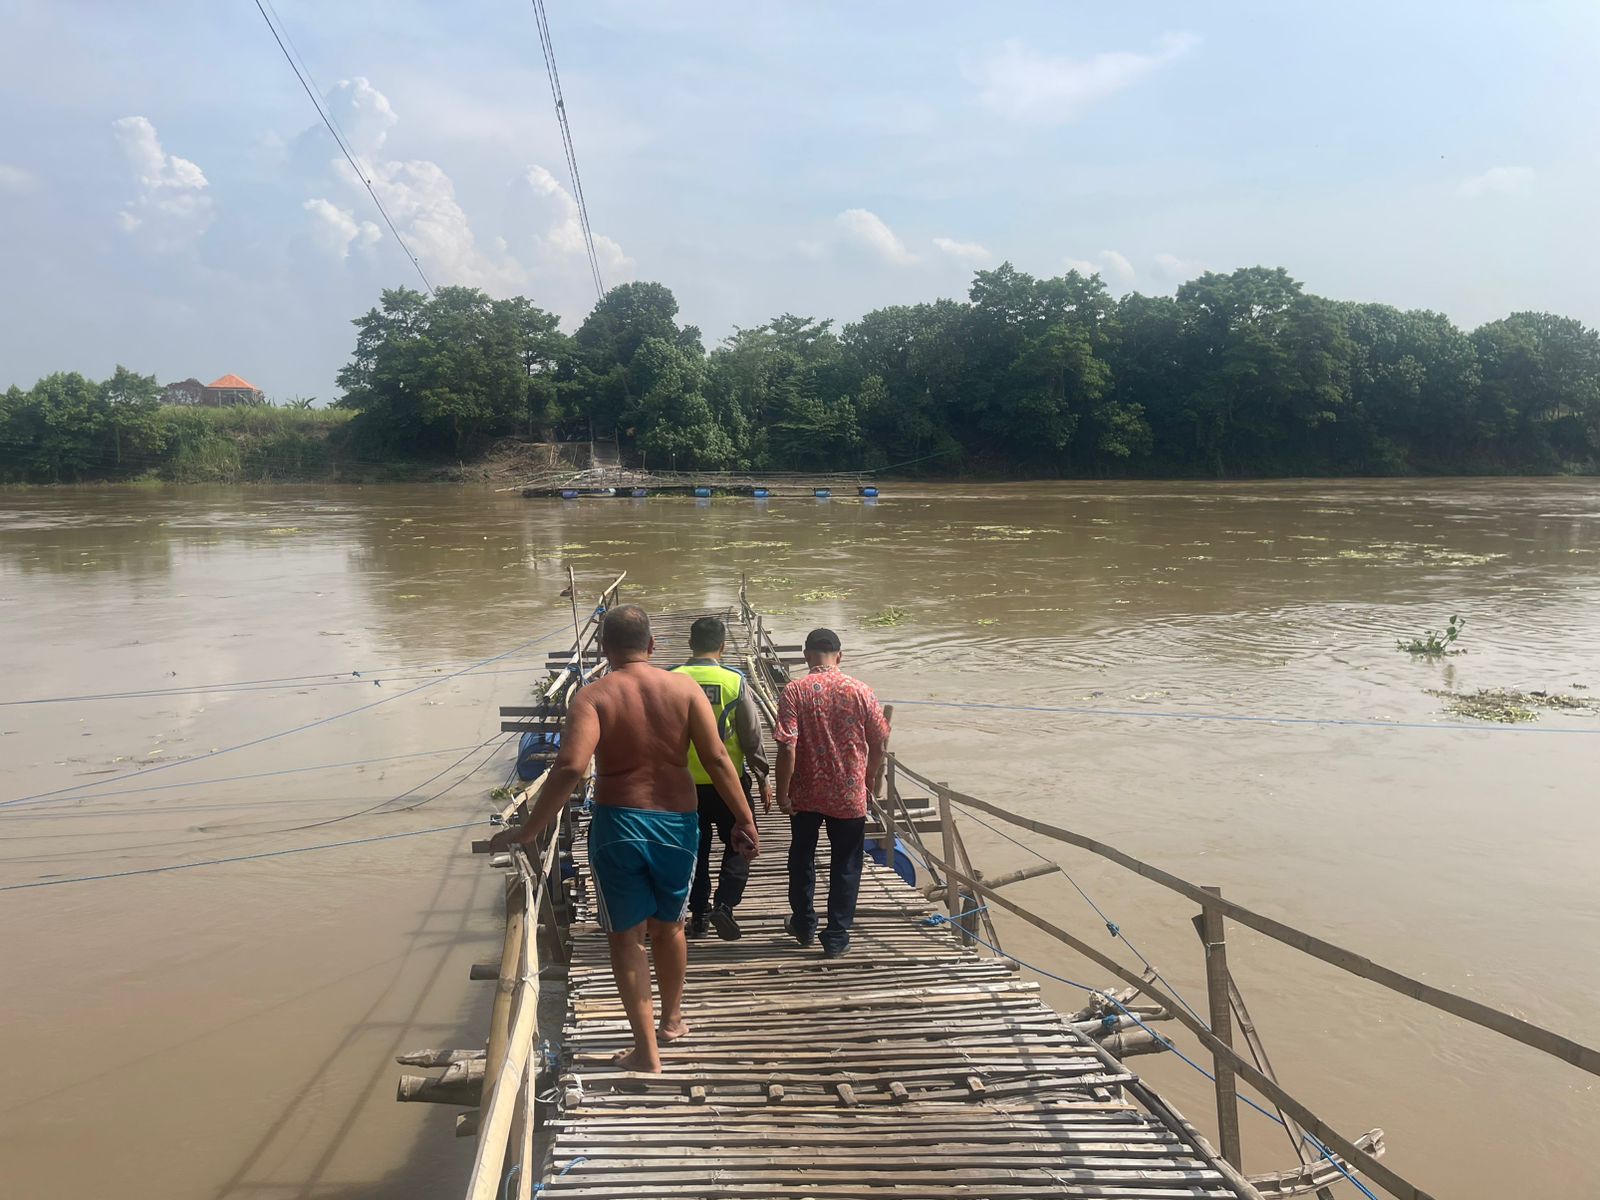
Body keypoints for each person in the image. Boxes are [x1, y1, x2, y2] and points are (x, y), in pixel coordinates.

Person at [489, 605, 759, 1073]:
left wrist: (529, 829)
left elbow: (571, 768)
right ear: (652, 646)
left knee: (627, 939)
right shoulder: (686, 688)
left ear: (603, 649)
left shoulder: (594, 696)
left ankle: (645, 1052)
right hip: (678, 823)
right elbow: (716, 759)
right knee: (671, 926)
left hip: (620, 826)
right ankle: (672, 1021)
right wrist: (744, 818)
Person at [774, 627, 890, 959]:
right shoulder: (860, 690)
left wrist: (783, 793)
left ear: (806, 654)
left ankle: (804, 924)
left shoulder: (795, 691)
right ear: (839, 656)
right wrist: (869, 780)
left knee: (802, 858)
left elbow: (786, 748)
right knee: (846, 863)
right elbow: (880, 742)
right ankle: (837, 935)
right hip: (848, 793)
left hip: (806, 792)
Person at [672, 616, 772, 941]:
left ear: (690, 644)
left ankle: (698, 916)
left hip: (684, 786)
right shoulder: (734, 681)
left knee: (695, 850)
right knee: (741, 841)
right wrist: (762, 775)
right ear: (723, 646)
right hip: (729, 782)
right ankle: (725, 905)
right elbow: (752, 734)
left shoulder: (671, 680)